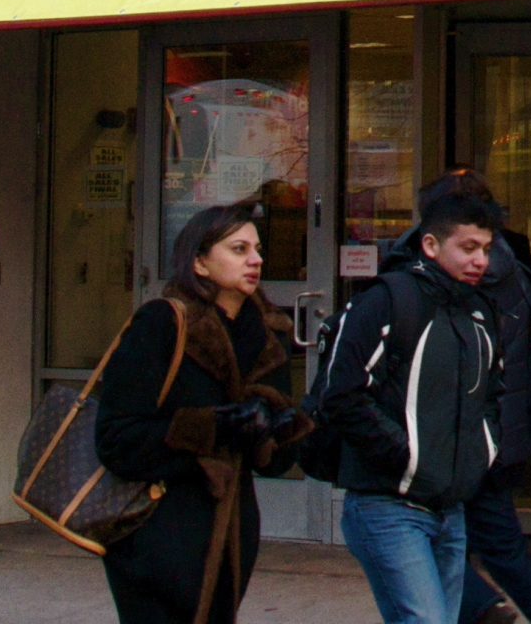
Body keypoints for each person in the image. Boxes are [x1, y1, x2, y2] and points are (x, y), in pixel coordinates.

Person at [96, 203, 310, 624]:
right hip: (154, 531)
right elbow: (117, 440)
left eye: (258, 248)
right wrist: (213, 427)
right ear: (200, 262)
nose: (256, 260)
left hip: (230, 535)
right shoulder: (162, 324)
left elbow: (275, 462)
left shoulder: (268, 336)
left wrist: (281, 432)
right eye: (238, 249)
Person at [387, 171, 531, 624]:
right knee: (497, 546)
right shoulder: (511, 261)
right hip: (499, 430)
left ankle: (480, 608)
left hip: (457, 434)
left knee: (422, 536)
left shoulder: (455, 277)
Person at [329, 187, 507, 624]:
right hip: (387, 506)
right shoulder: (386, 300)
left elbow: (492, 397)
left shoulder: (480, 313)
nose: (480, 260)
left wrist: (479, 456)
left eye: (485, 249)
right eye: (467, 248)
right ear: (430, 245)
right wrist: (408, 458)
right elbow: (343, 394)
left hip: (450, 509)